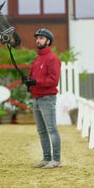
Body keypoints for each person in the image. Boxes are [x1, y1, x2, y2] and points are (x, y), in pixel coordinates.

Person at [22, 28, 62, 169]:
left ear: (48, 41)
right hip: (37, 98)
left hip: (47, 98)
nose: (38, 40)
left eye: (41, 38)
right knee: (42, 130)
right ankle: (46, 158)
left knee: (52, 129)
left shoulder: (53, 59)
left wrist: (36, 82)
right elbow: (34, 77)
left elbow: (53, 80)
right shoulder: (37, 59)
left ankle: (56, 160)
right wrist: (28, 82)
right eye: (37, 38)